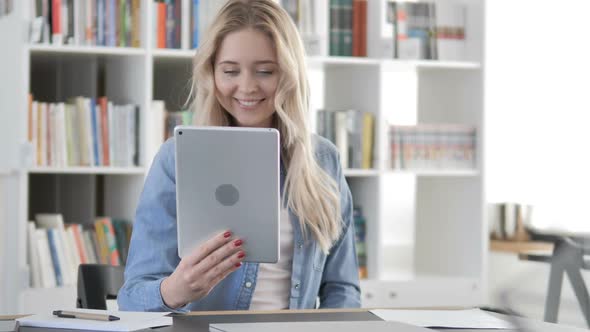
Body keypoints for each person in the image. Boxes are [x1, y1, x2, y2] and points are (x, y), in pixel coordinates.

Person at [118, 0, 360, 312]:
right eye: (230, 71)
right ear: (211, 73)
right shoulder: (177, 158)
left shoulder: (323, 160)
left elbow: (343, 291)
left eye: (265, 71)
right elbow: (132, 298)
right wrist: (175, 290)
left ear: (290, 74)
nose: (246, 87)